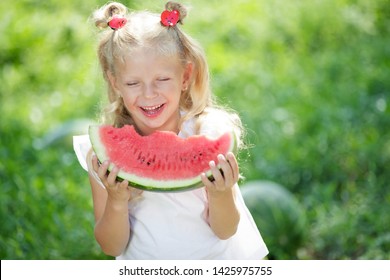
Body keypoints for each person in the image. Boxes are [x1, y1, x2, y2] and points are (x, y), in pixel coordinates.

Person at [73, 1, 268, 260]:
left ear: (185, 76)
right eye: (133, 83)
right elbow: (111, 247)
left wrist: (220, 194)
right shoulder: (102, 159)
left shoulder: (208, 130)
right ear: (115, 82)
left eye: (162, 80)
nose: (149, 94)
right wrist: (117, 200)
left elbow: (226, 229)